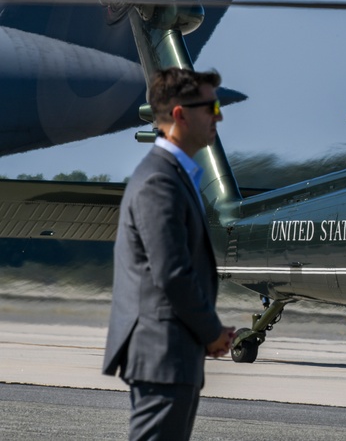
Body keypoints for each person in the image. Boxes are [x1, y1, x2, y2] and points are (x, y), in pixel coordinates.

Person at [102, 68, 235, 441]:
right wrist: (210, 332)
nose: (218, 116)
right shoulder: (160, 180)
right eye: (211, 106)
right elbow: (172, 272)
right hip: (163, 354)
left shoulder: (174, 175)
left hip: (171, 352)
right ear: (179, 114)